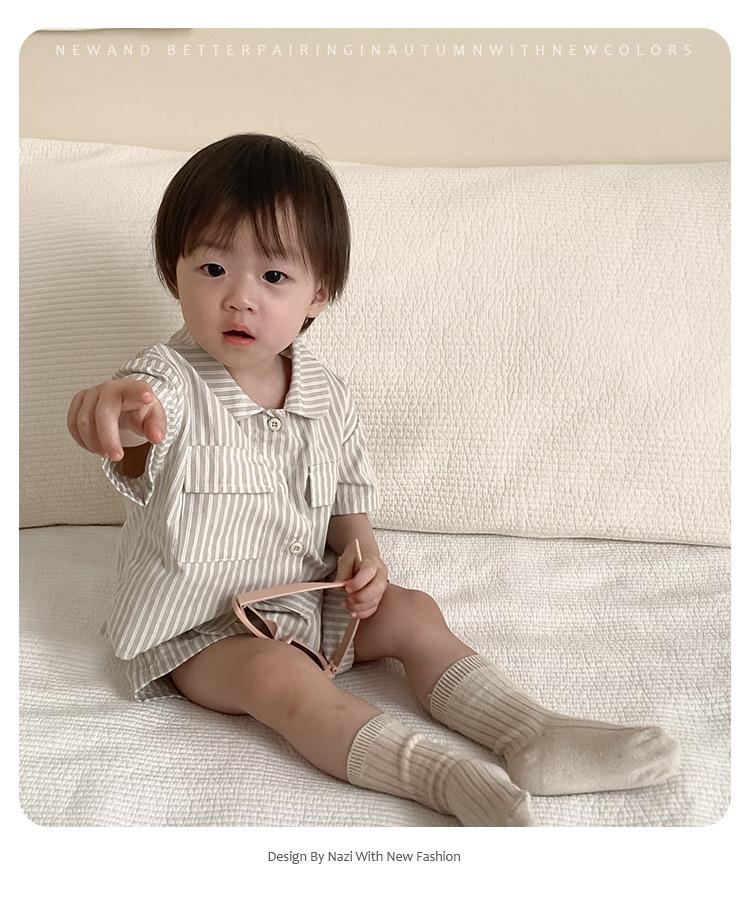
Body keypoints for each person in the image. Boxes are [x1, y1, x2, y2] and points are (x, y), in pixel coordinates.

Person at [67, 133, 680, 827]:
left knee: (412, 611)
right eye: (212, 268)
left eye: (274, 277)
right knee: (276, 674)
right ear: (173, 272)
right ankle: (439, 775)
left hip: (308, 598)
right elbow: (136, 427)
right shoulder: (166, 381)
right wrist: (116, 415)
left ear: (319, 294)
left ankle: (530, 732)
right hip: (201, 633)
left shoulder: (328, 395)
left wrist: (363, 560)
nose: (239, 299)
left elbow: (345, 499)